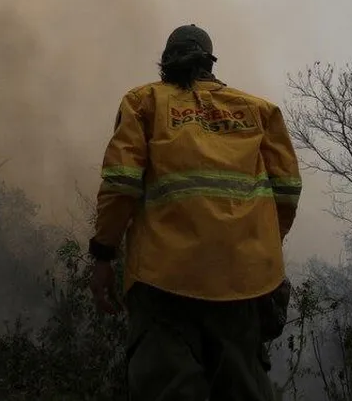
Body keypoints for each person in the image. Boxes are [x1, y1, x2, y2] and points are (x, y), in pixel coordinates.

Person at [87, 24, 302, 400]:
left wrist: (104, 254)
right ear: (209, 60)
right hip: (243, 281)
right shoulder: (259, 111)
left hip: (162, 280)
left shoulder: (144, 102)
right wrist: (260, 249)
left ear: (166, 62)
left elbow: (121, 183)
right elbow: (286, 191)